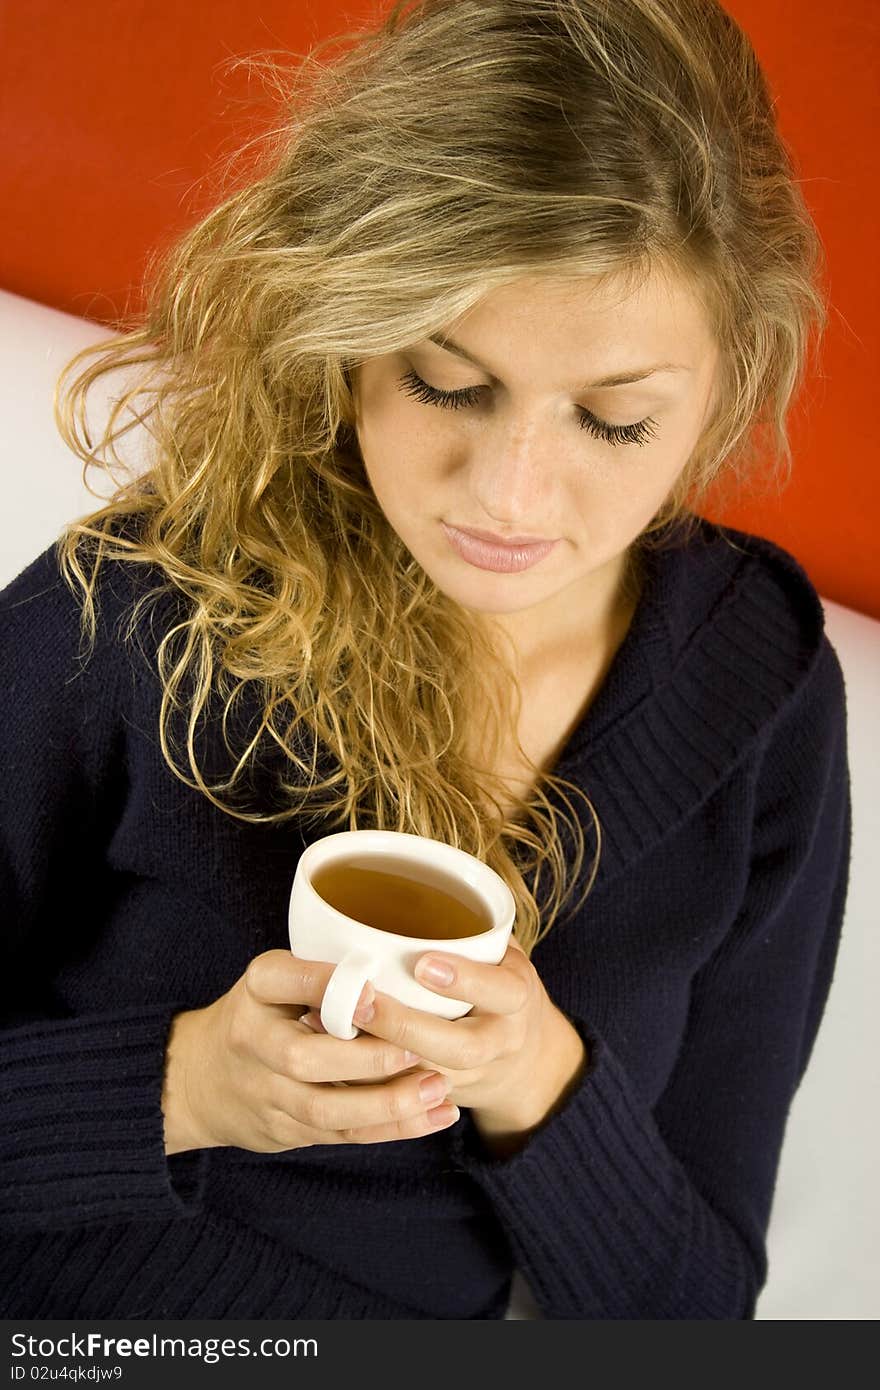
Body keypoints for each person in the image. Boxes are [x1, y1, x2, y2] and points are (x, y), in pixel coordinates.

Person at [0, 0, 850, 1320]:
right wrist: (175, 1087)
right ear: (350, 335)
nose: (511, 495)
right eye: (449, 384)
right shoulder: (147, 602)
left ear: (726, 385)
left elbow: (695, 1310)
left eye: (614, 421)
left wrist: (548, 1094)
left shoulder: (762, 690)